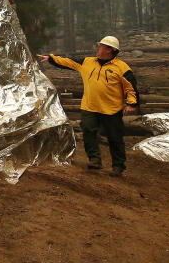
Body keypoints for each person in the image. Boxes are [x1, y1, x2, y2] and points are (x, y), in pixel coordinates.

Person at [37, 36, 139, 177]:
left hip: (111, 110)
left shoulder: (122, 68)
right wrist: (52, 59)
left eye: (101, 46)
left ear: (110, 50)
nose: (98, 48)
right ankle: (94, 159)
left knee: (115, 137)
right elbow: (69, 62)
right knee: (88, 131)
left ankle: (118, 165)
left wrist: (131, 103)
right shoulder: (88, 62)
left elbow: (131, 87)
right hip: (90, 107)